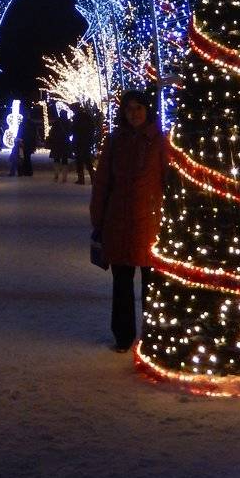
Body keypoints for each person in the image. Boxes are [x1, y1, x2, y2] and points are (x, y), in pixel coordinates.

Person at [89, 90, 171, 352]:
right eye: (129, 109)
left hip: (150, 222)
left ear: (148, 110)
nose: (134, 113)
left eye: (139, 108)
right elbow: (103, 182)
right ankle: (123, 336)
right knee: (122, 283)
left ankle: (153, 335)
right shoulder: (115, 141)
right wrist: (98, 218)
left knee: (152, 284)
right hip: (119, 221)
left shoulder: (160, 141)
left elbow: (169, 181)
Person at [72, 102, 97, 184]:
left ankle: (81, 179)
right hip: (86, 141)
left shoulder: (77, 117)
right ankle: (92, 178)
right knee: (87, 159)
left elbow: (74, 129)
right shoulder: (86, 116)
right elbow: (92, 127)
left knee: (80, 160)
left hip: (79, 141)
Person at [46, 109, 72, 182]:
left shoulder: (56, 122)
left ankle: (56, 175)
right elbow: (70, 132)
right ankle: (64, 177)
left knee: (56, 159)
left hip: (56, 143)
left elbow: (51, 132)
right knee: (65, 160)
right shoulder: (68, 123)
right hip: (65, 143)